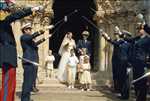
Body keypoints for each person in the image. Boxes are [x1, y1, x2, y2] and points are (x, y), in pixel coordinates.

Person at [0, 0, 43, 101]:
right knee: (7, 84)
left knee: (11, 84)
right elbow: (15, 16)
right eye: (7, 7)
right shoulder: (3, 21)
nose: (8, 10)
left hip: (9, 57)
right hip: (7, 56)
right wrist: (32, 9)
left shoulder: (4, 22)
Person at [20, 23, 49, 101]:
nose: (30, 31)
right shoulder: (24, 37)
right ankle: (24, 99)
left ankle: (27, 98)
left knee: (30, 81)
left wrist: (45, 38)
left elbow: (35, 44)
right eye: (29, 29)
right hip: (28, 61)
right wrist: (42, 31)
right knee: (27, 81)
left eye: (30, 29)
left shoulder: (29, 39)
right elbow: (32, 36)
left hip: (32, 61)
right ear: (24, 30)